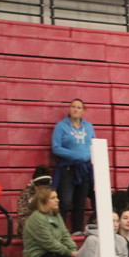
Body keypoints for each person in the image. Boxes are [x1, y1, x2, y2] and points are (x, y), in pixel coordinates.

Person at [51, 98, 95, 235]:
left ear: (83, 111)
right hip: (68, 168)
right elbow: (56, 148)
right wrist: (76, 155)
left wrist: (86, 156)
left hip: (85, 168)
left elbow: (93, 145)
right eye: (73, 107)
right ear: (70, 109)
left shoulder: (89, 127)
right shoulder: (61, 126)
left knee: (81, 201)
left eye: (79, 107)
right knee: (65, 200)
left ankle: (77, 230)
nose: (75, 109)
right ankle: (60, 231)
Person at [16, 166, 52, 237]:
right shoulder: (25, 194)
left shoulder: (51, 194)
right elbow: (22, 216)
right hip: (31, 228)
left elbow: (55, 215)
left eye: (45, 187)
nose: (42, 190)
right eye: (39, 187)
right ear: (33, 184)